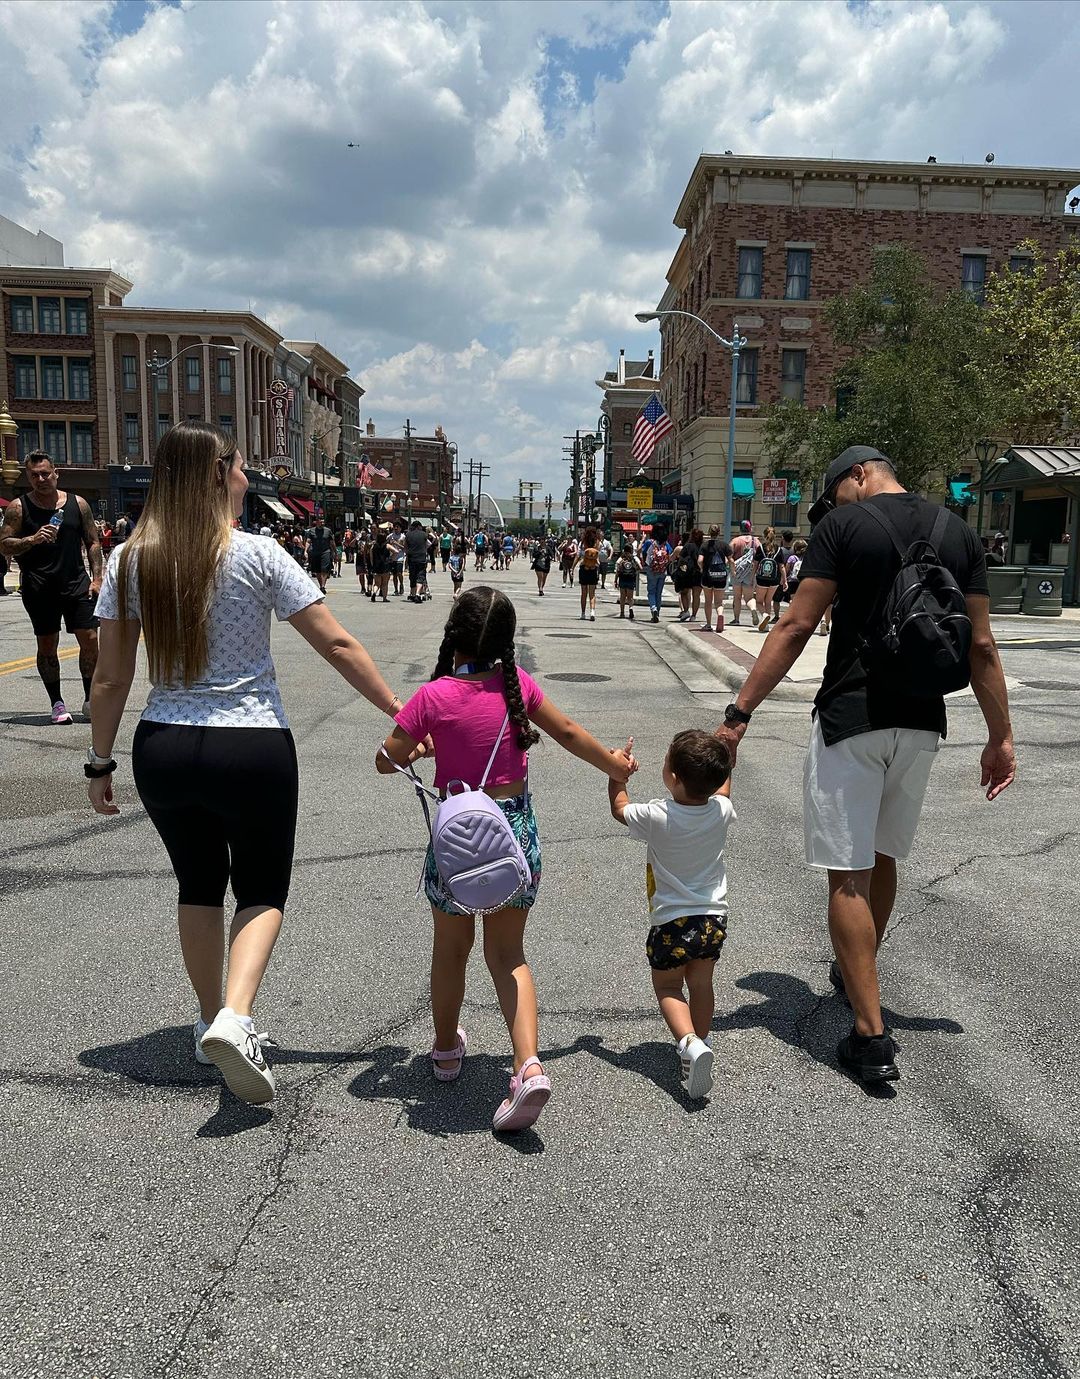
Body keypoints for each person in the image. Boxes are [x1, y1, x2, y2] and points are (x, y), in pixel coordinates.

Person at [88, 421, 402, 1106]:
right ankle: (237, 1012)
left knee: (197, 883)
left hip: (165, 743)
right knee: (260, 886)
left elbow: (110, 680)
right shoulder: (259, 554)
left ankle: (209, 1020)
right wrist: (398, 711)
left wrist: (98, 760)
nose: (246, 478)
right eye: (237, 468)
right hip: (252, 744)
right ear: (214, 475)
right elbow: (339, 645)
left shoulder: (128, 560)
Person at [716, 445, 1015, 1085]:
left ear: (859, 473)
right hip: (922, 722)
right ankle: (860, 977)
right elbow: (982, 644)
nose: (833, 509)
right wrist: (1001, 737)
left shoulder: (841, 528)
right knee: (882, 859)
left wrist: (739, 713)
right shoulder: (958, 531)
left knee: (846, 874)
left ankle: (870, 1037)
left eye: (835, 494)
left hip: (854, 716)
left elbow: (796, 624)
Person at [376, 586, 636, 1133]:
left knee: (451, 950)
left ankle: (447, 1051)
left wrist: (420, 745)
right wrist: (614, 765)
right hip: (513, 834)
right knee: (508, 954)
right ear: (506, 642)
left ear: (454, 636)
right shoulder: (517, 685)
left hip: (457, 839)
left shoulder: (434, 696)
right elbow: (566, 733)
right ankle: (528, 1065)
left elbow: (386, 760)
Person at [608, 729, 735, 1100]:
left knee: (667, 987)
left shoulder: (657, 815)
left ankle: (690, 1044)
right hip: (713, 919)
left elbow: (619, 809)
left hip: (671, 922)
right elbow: (723, 789)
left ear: (673, 777)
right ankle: (703, 1039)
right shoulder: (721, 811)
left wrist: (617, 773)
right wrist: (727, 751)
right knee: (700, 984)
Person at [0, 450, 103, 723]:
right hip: (39, 586)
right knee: (47, 645)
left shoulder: (77, 504)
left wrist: (97, 579)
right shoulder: (18, 508)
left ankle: (91, 698)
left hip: (76, 583)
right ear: (28, 478)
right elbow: (4, 544)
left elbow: (93, 541)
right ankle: (57, 703)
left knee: (91, 639)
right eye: (34, 475)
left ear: (56, 474)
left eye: (46, 473)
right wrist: (31, 540)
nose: (41, 479)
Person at [699, 524, 734, 633]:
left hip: (707, 577)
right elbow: (731, 560)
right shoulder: (724, 545)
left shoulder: (704, 546)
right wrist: (732, 571)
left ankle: (709, 624)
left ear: (709, 533)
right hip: (721, 577)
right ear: (719, 533)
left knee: (708, 601)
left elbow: (700, 560)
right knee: (719, 602)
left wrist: (701, 569)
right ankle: (720, 615)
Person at [752, 526, 787, 632]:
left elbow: (755, 564)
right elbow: (781, 566)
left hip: (762, 579)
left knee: (759, 602)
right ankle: (765, 625)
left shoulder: (761, 548)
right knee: (768, 601)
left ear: (764, 535)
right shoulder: (778, 549)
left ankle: (764, 615)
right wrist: (784, 580)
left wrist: (752, 577)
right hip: (774, 579)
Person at [729, 521, 760, 626]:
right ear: (750, 528)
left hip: (737, 571)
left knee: (737, 597)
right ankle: (753, 609)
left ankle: (736, 619)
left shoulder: (735, 541)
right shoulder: (755, 541)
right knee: (749, 597)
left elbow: (728, 556)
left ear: (740, 528)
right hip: (750, 572)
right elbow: (760, 556)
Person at [641, 525, 672, 624]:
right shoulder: (666, 544)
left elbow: (642, 552)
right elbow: (670, 555)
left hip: (651, 570)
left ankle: (653, 609)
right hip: (662, 571)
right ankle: (657, 613)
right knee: (659, 593)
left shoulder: (649, 542)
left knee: (651, 592)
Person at [673, 528, 703, 623]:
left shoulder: (687, 546)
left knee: (684, 592)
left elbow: (681, 558)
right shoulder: (703, 546)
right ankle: (694, 615)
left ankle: (686, 611)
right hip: (699, 573)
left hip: (687, 573)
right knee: (696, 595)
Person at [574, 526, 602, 621]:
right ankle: (592, 612)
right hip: (593, 568)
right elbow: (599, 555)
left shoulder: (583, 543)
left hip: (584, 568)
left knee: (583, 593)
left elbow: (578, 555)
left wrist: (572, 567)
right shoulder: (598, 543)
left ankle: (583, 613)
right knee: (592, 593)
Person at [306, 519, 337, 595]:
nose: (322, 523)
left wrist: (335, 552)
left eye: (323, 522)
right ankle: (321, 585)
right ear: (317, 522)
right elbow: (308, 541)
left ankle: (323, 586)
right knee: (318, 571)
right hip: (315, 552)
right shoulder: (311, 531)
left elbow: (332, 542)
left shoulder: (328, 531)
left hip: (325, 552)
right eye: (321, 522)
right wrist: (305, 551)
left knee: (324, 569)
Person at [404, 521, 429, 603]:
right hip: (421, 558)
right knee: (420, 576)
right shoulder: (424, 534)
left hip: (412, 558)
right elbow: (428, 544)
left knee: (413, 576)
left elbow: (405, 548)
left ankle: (413, 594)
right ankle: (418, 594)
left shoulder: (408, 534)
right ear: (418, 526)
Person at [615, 543, 641, 619]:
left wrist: (615, 580)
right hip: (631, 579)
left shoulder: (621, 558)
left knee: (622, 597)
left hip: (622, 578)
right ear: (632, 550)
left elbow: (618, 570)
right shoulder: (634, 558)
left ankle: (622, 613)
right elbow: (640, 567)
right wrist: (635, 570)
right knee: (630, 597)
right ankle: (631, 608)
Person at [369, 527, 392, 603]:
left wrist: (372, 565)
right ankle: (384, 598)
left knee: (377, 583)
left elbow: (371, 557)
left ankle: (374, 593)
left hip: (376, 566)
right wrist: (391, 557)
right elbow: (396, 551)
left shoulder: (374, 546)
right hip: (385, 566)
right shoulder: (387, 546)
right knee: (385, 583)